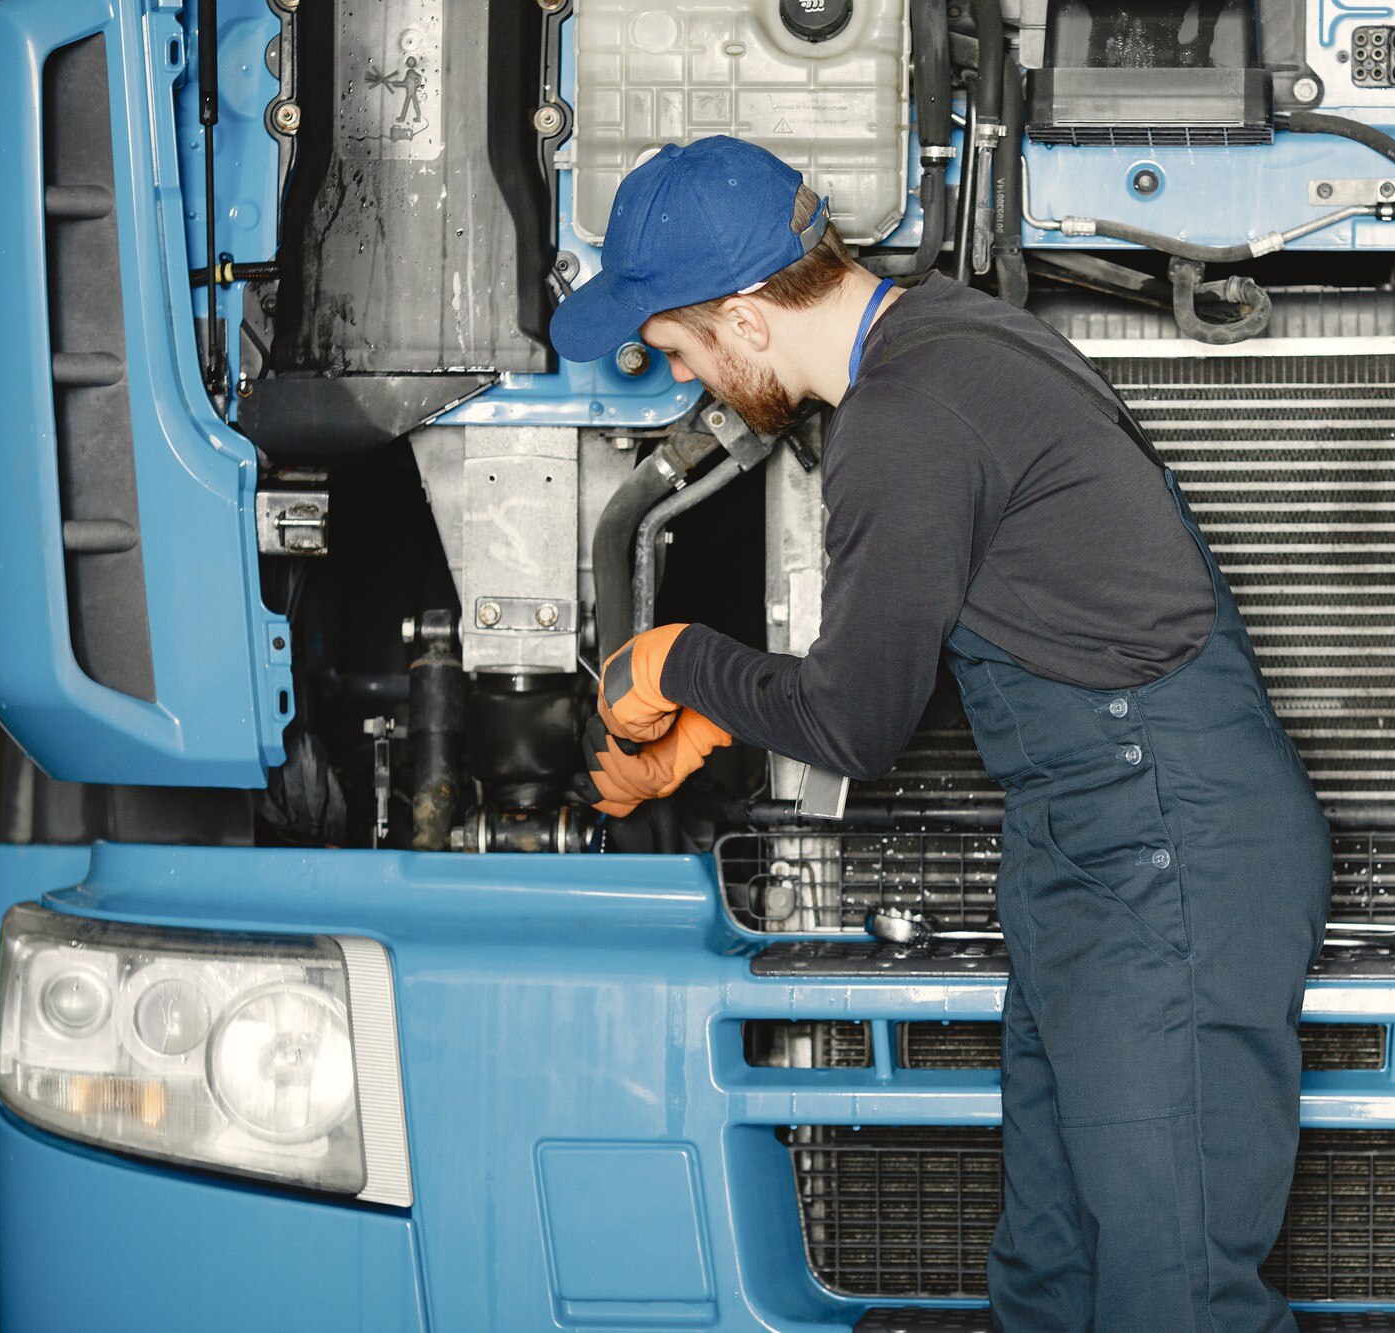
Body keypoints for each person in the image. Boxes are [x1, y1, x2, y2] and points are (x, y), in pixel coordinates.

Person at [550, 134, 1330, 1332]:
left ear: (747, 319)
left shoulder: (903, 418)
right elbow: (989, 620)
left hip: (1167, 850)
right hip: (1092, 845)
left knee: (1174, 1296)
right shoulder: (950, 337)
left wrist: (677, 659)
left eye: (680, 345)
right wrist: (711, 725)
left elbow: (857, 723)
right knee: (1049, 1271)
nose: (687, 378)